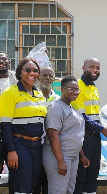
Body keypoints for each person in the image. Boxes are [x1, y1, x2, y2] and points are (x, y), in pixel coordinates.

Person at [0, 57, 47, 193]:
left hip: (37, 146)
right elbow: (5, 124)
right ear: (20, 72)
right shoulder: (10, 92)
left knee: (33, 187)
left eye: (35, 70)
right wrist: (11, 151)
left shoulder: (39, 94)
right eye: (28, 70)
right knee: (22, 188)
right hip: (19, 145)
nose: (32, 73)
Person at [72, 58, 107, 194]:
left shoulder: (93, 87)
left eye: (97, 67)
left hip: (95, 138)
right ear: (83, 67)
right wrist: (103, 129)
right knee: (80, 177)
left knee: (92, 176)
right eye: (92, 67)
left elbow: (95, 116)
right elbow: (82, 117)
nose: (95, 70)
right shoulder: (76, 87)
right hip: (83, 138)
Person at [43, 76, 90, 194]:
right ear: (62, 89)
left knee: (69, 191)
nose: (75, 92)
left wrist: (82, 155)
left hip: (72, 157)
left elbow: (73, 134)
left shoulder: (71, 108)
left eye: (77, 89)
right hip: (60, 157)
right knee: (58, 190)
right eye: (71, 89)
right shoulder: (56, 108)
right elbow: (53, 136)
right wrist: (60, 161)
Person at [33, 66, 60, 194]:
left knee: (49, 183)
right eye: (44, 75)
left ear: (54, 79)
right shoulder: (31, 97)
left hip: (51, 148)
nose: (48, 78)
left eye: (50, 76)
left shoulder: (58, 100)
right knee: (35, 182)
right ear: (38, 77)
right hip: (34, 146)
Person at [0, 51, 17, 194]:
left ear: (9, 61)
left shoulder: (17, 77)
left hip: (15, 131)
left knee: (16, 172)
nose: (1, 62)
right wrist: (9, 100)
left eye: (4, 59)